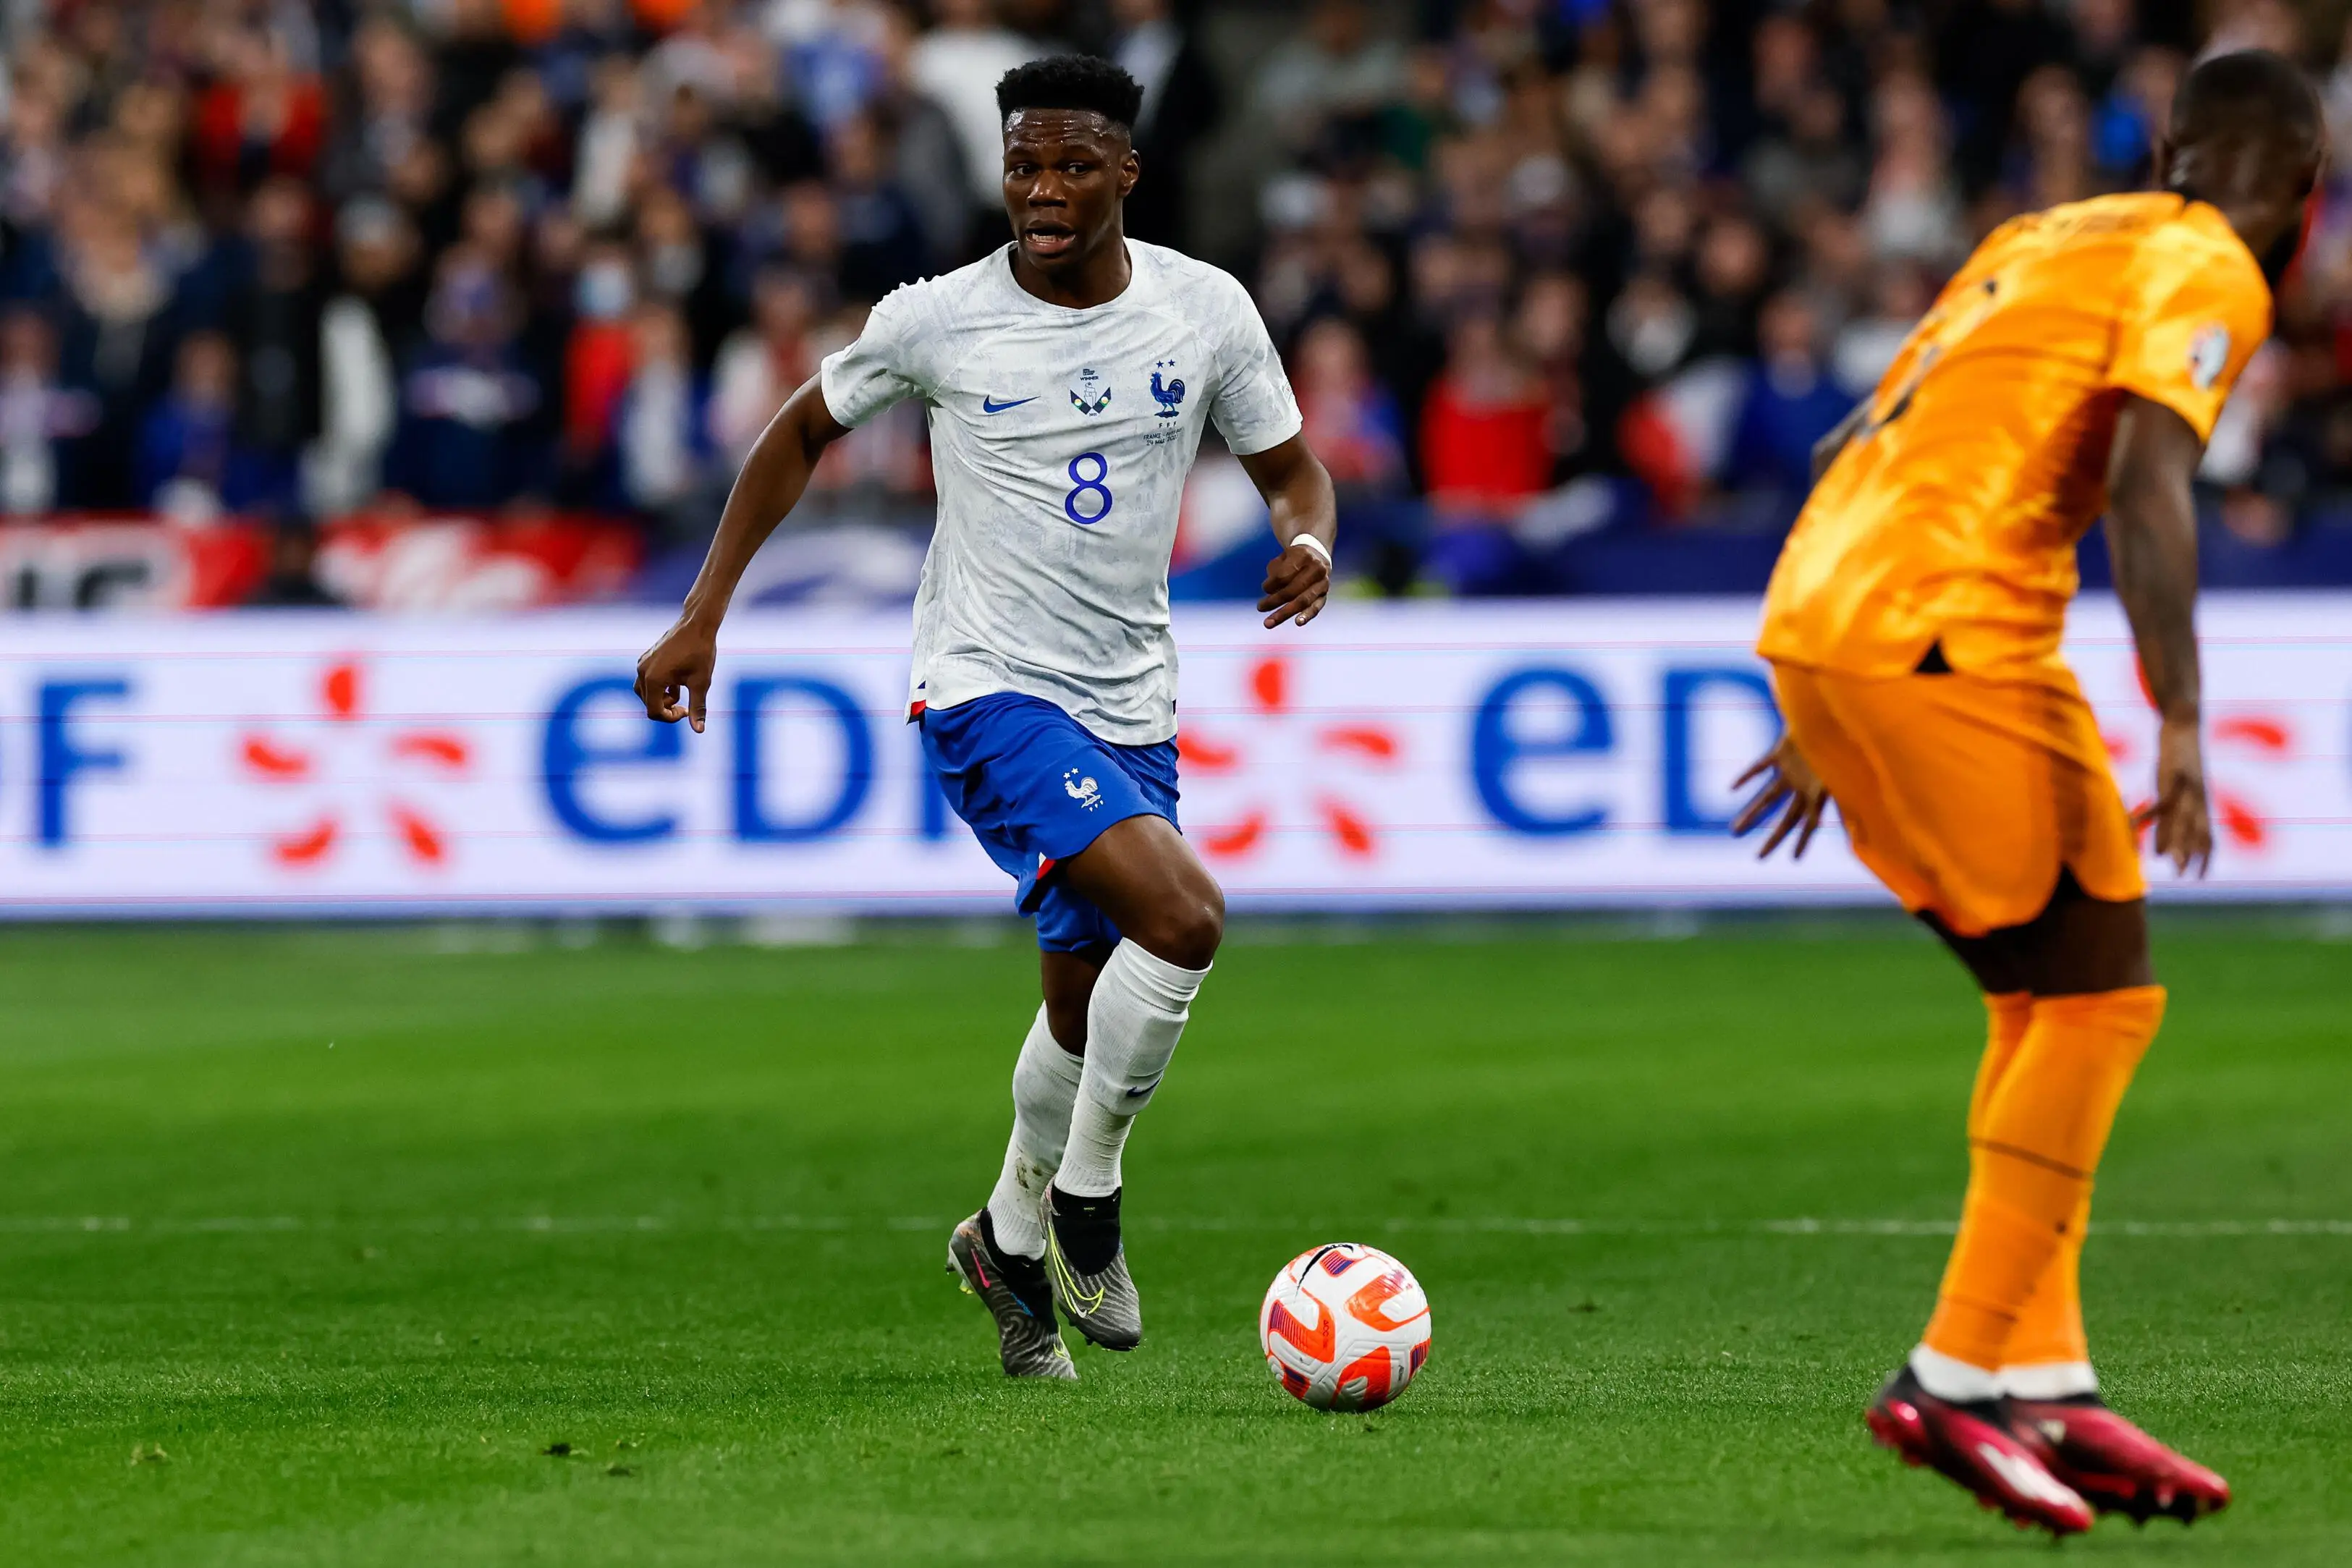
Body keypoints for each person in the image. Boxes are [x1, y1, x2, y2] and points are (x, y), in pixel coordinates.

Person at [633, 56, 1336, 1379]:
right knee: (1183, 917)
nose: (1043, 191)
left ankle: (1002, 1242)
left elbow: (1292, 468)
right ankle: (1086, 1201)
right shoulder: (937, 318)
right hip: (984, 681)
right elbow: (796, 430)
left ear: (1125, 172)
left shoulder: (1206, 310)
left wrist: (1310, 540)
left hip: (1131, 692)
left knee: (1081, 1010)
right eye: (1023, 165)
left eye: (1073, 165)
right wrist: (704, 608)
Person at [1731, 50, 2319, 1536]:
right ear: (2298, 196)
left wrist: (1826, 690)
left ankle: (2037, 1371)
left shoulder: (2040, 235)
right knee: (2101, 994)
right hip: (1950, 634)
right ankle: (1948, 1374)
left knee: (2041, 996)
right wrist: (2182, 723)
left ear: (2171, 146)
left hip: (1828, 614)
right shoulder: (2209, 267)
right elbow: (2144, 485)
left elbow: (1872, 425)